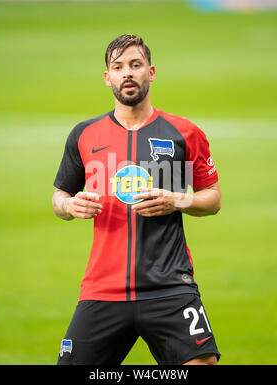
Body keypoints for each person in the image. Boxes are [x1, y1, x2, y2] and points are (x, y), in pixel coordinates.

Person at [52, 34, 221, 365]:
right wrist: (68, 206)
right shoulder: (84, 135)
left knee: (201, 363)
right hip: (103, 290)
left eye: (135, 65)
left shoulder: (184, 133)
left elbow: (212, 198)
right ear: (107, 78)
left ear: (151, 72)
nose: (127, 73)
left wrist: (178, 201)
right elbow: (59, 196)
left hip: (170, 286)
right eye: (118, 67)